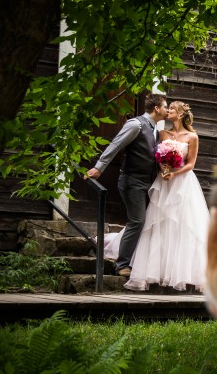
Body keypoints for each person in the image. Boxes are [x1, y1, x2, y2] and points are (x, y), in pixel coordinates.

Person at [122, 100, 209, 291]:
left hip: (183, 182)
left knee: (183, 224)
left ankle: (182, 273)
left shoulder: (192, 137)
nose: (168, 111)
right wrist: (164, 169)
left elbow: (191, 164)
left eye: (171, 110)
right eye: (167, 108)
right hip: (164, 181)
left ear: (179, 114)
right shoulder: (162, 134)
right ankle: (156, 270)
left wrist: (174, 173)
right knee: (158, 222)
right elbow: (157, 155)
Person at [85, 94, 169, 278]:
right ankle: (122, 265)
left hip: (147, 183)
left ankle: (133, 260)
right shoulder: (136, 124)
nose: (167, 110)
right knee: (137, 221)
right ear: (157, 109)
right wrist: (99, 168)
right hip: (132, 181)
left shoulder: (155, 129)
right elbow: (115, 145)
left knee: (143, 222)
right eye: (165, 107)